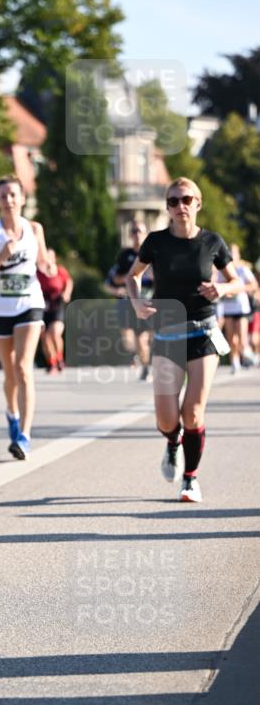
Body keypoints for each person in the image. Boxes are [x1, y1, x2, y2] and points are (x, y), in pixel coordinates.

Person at [127, 177, 240, 504]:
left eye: (186, 199)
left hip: (203, 332)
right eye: (173, 201)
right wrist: (136, 303)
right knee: (166, 418)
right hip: (166, 333)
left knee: (192, 412)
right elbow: (133, 276)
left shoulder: (213, 243)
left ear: (198, 203)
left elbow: (238, 283)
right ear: (167, 207)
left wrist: (224, 289)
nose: (181, 206)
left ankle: (190, 479)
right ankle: (172, 443)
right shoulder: (156, 241)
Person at [0, 176, 47, 459]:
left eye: (13, 195)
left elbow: (44, 263)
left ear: (22, 199)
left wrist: (51, 266)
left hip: (29, 304)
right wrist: (2, 255)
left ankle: (24, 435)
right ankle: (12, 413)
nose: (8, 200)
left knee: (23, 368)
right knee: (10, 373)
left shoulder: (34, 229)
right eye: (3, 196)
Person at [104, 221, 153, 380]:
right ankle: (140, 360)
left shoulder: (153, 253)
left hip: (148, 301)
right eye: (134, 231)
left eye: (140, 230)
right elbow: (116, 279)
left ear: (146, 234)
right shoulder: (125, 255)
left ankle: (147, 365)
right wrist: (133, 276)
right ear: (131, 234)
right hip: (128, 301)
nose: (137, 234)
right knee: (129, 339)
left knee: (144, 338)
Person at [217, 244, 256, 373]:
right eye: (230, 253)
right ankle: (235, 362)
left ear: (238, 254)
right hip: (228, 308)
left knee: (241, 337)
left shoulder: (242, 270)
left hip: (241, 307)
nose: (232, 256)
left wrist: (239, 288)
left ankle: (246, 353)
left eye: (234, 253)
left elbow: (253, 285)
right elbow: (218, 285)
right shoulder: (222, 270)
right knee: (231, 339)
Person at [37, 249, 73, 374]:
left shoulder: (60, 271)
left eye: (49, 257)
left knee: (55, 333)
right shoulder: (36, 272)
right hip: (41, 307)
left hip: (56, 305)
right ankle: (51, 362)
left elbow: (68, 282)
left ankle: (59, 358)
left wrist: (66, 293)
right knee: (44, 336)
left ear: (54, 258)